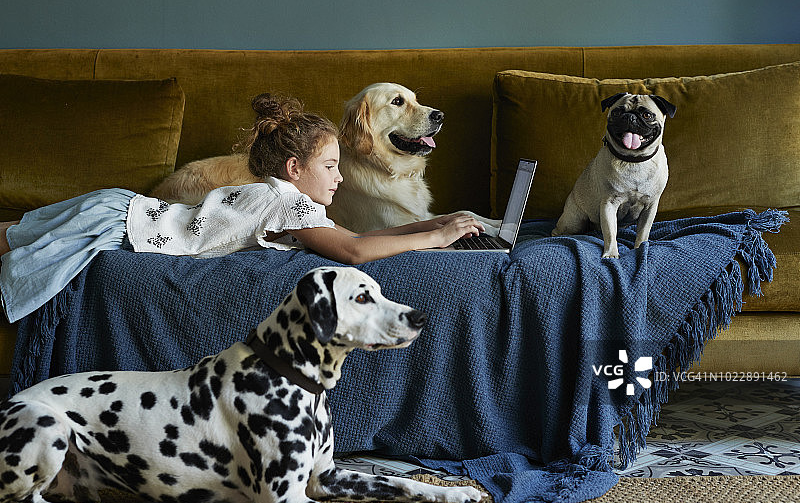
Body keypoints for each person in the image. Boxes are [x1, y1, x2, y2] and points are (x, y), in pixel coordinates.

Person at [0, 93, 482, 323]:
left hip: (120, 208)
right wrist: (435, 238)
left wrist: (436, 221)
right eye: (332, 166)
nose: (340, 176)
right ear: (295, 169)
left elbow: (355, 238)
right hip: (118, 224)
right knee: (15, 240)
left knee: (15, 233)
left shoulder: (281, 195)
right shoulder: (286, 204)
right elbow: (354, 250)